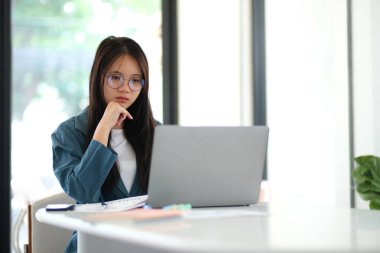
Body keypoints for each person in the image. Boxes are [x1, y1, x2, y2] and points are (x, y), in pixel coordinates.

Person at [51, 36, 158, 253]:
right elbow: (83, 191)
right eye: (115, 78)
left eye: (135, 80)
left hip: (147, 242)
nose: (126, 88)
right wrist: (104, 127)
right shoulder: (68, 134)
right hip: (95, 244)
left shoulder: (157, 133)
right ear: (99, 78)